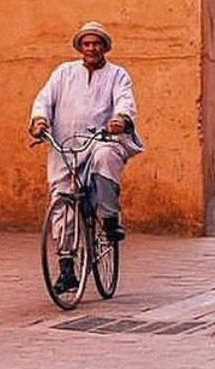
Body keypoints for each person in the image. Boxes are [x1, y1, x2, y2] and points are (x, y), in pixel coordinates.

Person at [28, 20, 139, 294]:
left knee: (104, 157)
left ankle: (110, 218)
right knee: (61, 200)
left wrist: (120, 119)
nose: (91, 48)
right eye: (87, 44)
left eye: (96, 43)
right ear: (80, 47)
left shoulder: (117, 75)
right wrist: (40, 120)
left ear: (104, 47)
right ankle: (67, 268)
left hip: (100, 140)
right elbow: (44, 99)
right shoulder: (63, 73)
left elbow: (124, 100)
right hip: (65, 144)